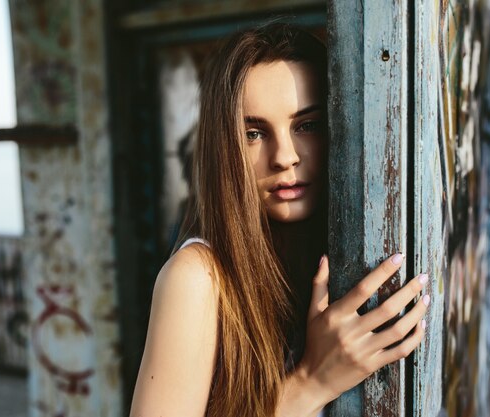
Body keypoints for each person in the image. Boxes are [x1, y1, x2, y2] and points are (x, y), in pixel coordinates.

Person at [129, 23, 429, 417]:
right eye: (253, 133)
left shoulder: (335, 258)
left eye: (307, 125)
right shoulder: (196, 278)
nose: (285, 156)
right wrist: (312, 382)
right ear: (226, 146)